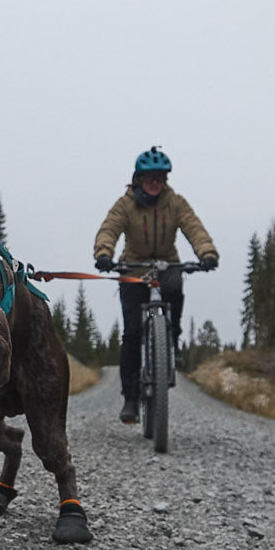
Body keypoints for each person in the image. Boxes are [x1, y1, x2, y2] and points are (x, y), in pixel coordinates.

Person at [93, 146, 219, 422]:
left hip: (166, 264)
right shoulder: (125, 204)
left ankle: (170, 339)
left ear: (166, 180)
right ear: (138, 178)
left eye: (160, 178)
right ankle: (130, 398)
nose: (155, 183)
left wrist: (206, 253)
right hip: (133, 267)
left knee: (174, 288)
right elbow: (109, 229)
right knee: (132, 332)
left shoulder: (176, 203)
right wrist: (104, 254)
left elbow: (194, 228)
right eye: (149, 177)